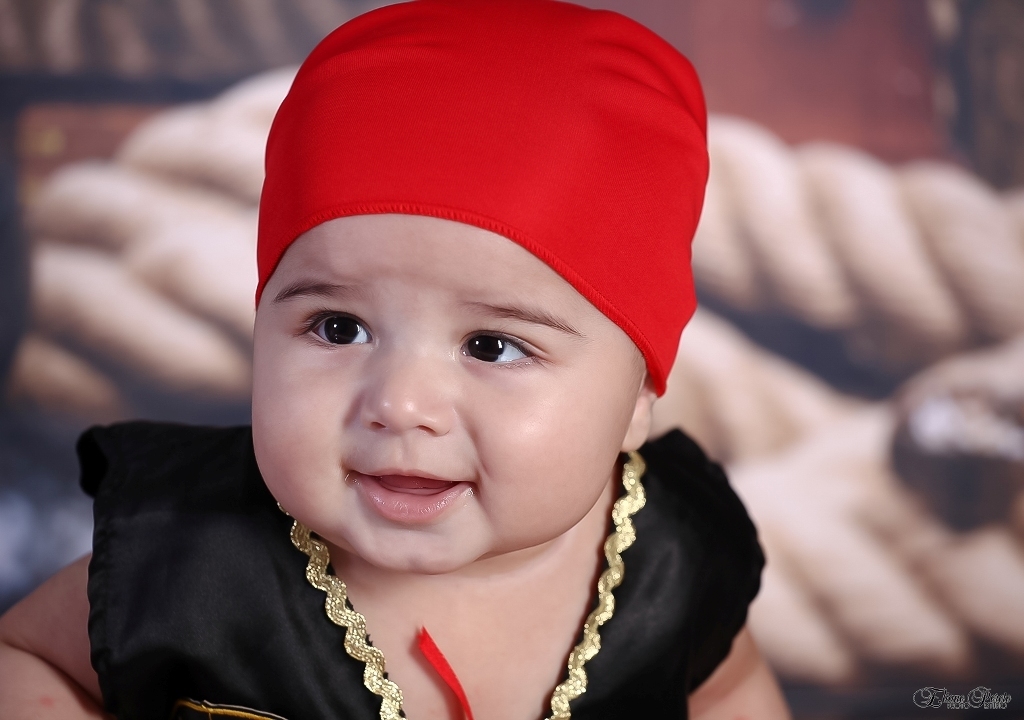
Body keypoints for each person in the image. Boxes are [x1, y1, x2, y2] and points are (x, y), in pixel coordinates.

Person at [0, 1, 790, 718]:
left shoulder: (673, 557)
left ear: (636, 401)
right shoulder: (186, 556)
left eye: (492, 347)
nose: (401, 402)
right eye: (339, 328)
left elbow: (726, 690)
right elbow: (27, 656)